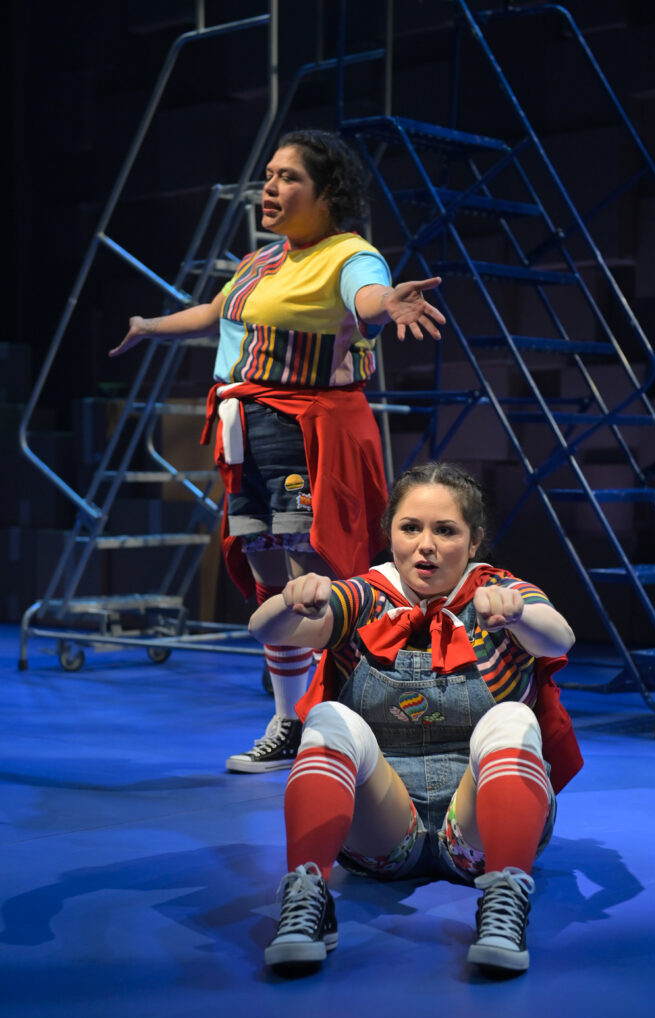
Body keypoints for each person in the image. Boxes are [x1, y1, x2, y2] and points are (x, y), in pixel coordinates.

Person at [109, 129, 446, 773]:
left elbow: (368, 300)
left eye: (289, 177)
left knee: (315, 578)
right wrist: (150, 326)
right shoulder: (262, 261)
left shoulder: (351, 255)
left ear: (327, 194)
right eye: (268, 175)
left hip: (305, 431)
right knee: (267, 570)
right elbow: (214, 312)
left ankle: (348, 716)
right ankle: (289, 721)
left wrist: (387, 303)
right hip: (248, 431)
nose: (270, 187)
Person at [249, 461, 582, 977]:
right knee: (329, 717)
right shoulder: (366, 594)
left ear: (474, 542)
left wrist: (517, 614)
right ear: (391, 535)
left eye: (445, 531)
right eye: (411, 528)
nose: (425, 546)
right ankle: (307, 895)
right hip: (385, 836)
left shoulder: (498, 592)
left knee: (513, 717)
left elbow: (559, 637)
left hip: (475, 838)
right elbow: (265, 630)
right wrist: (290, 603)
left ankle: (505, 899)